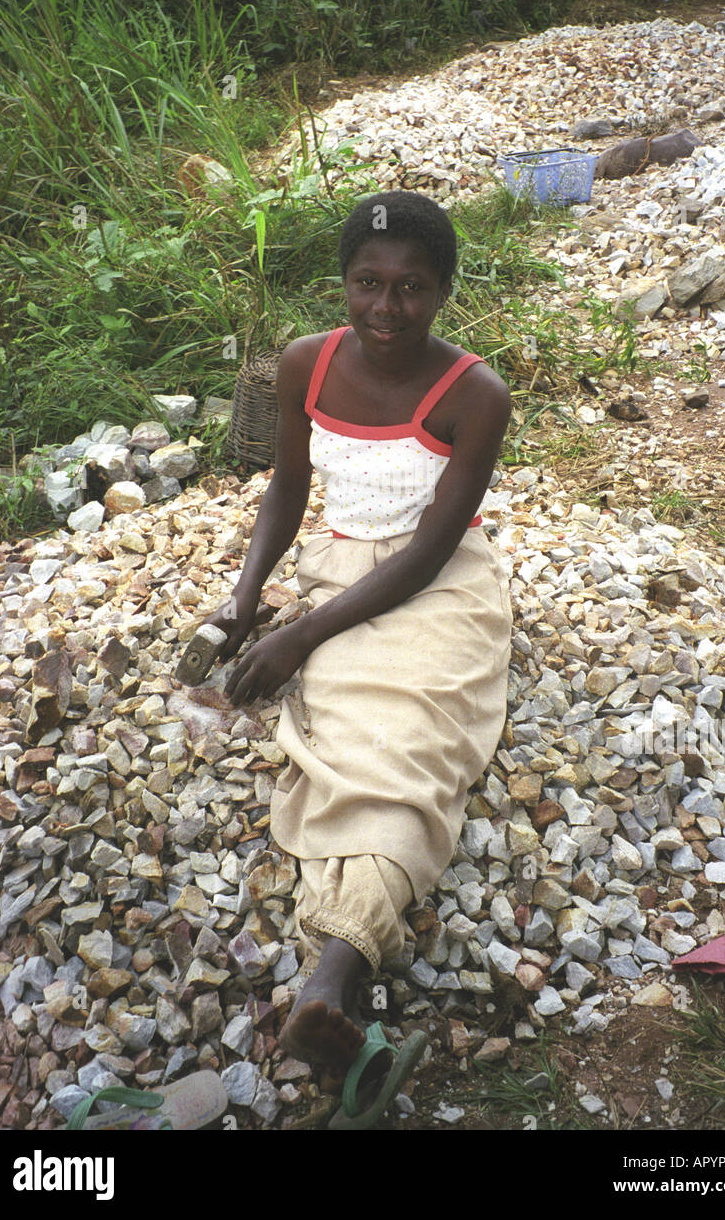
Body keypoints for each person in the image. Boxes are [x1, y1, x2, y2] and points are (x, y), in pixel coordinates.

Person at [203, 190, 513, 1087]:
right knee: (343, 739)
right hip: (339, 576)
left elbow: (427, 554)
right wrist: (243, 601)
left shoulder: (475, 394)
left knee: (412, 741)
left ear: (445, 290)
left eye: (411, 288)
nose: (386, 308)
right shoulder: (306, 361)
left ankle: (334, 967)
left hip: (441, 586)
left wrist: (297, 637)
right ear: (342, 283)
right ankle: (331, 973)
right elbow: (287, 489)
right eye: (366, 284)